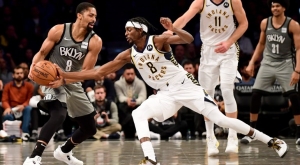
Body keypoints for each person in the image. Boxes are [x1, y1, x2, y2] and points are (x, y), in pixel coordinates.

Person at [57, 17, 288, 165]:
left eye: (130, 29)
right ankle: (150, 158)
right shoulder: (128, 54)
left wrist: (173, 28)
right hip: (165, 94)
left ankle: (271, 141)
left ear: (142, 30)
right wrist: (65, 76)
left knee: (220, 119)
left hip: (187, 87)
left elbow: (186, 39)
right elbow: (98, 73)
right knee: (138, 114)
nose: (126, 33)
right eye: (125, 30)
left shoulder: (158, 41)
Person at [23, 2, 102, 165]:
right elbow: (42, 52)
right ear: (79, 15)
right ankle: (34, 157)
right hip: (51, 79)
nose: (94, 19)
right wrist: (33, 67)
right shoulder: (59, 30)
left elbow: (86, 72)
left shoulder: (95, 41)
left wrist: (65, 79)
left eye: (95, 16)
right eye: (90, 15)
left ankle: (64, 152)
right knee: (59, 113)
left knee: (90, 128)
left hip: (72, 81)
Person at [169, 0, 248, 155]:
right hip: (208, 52)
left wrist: (229, 41)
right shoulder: (201, 1)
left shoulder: (233, 1)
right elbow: (185, 18)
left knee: (226, 90)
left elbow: (244, 23)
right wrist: (169, 31)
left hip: (229, 50)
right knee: (207, 96)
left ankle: (233, 136)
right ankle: (210, 137)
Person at [242, 0, 300, 145]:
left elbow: (299, 48)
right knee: (255, 94)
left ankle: (299, 132)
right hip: (267, 62)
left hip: (286, 63)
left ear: (284, 7)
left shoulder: (292, 24)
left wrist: (297, 70)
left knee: (294, 95)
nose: (274, 8)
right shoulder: (264, 23)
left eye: (277, 6)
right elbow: (261, 44)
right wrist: (251, 63)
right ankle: (252, 132)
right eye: (273, 6)